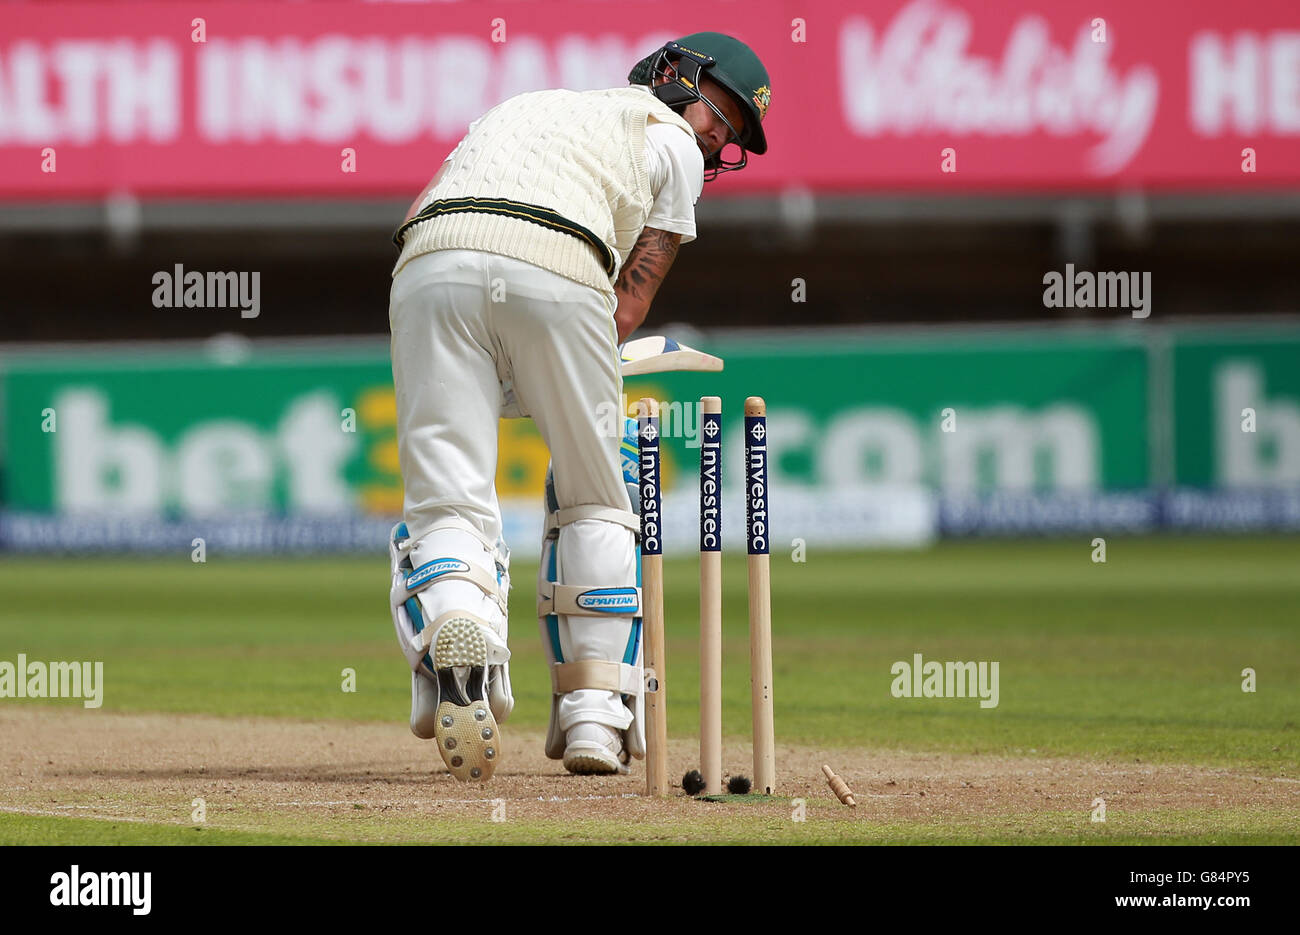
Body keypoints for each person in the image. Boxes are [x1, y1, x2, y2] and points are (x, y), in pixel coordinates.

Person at [386, 33, 771, 782]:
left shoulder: (522, 107)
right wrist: (569, 376)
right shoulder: (675, 149)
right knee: (598, 495)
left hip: (428, 259)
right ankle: (594, 711)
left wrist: (491, 367)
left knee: (447, 501)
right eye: (716, 115)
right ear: (675, 76)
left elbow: (418, 216)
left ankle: (456, 619)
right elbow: (626, 306)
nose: (714, 137)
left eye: (729, 135)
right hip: (562, 264)